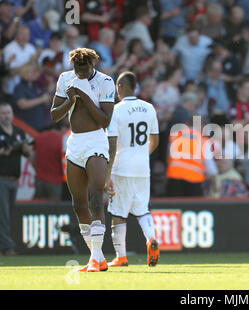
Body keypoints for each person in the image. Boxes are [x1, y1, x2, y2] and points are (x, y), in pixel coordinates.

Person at [50, 48, 115, 272]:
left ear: (92, 66)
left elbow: (105, 120)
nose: (80, 75)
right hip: (75, 142)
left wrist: (85, 97)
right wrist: (70, 100)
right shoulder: (65, 79)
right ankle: (96, 257)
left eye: (84, 71)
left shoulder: (106, 82)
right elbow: (55, 115)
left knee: (96, 196)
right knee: (78, 204)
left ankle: (97, 258)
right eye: (77, 70)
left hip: (96, 140)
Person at [105, 71, 160, 267]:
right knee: (142, 210)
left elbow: (112, 144)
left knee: (119, 213)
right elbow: (155, 140)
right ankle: (151, 239)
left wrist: (107, 174)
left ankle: (121, 256)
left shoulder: (116, 111)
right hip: (142, 167)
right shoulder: (149, 108)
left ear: (119, 88)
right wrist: (143, 155)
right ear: (135, 87)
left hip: (122, 167)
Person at [0, 101, 32, 256]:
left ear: (12, 115)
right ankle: (7, 248)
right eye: (3, 113)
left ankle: (5, 245)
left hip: (14, 179)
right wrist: (12, 149)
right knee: (3, 215)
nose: (6, 116)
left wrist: (24, 148)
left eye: (8, 113)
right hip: (1, 178)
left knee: (9, 214)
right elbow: (3, 152)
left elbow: (28, 153)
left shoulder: (18, 131)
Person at [31, 119, 69, 200]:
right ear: (63, 128)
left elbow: (32, 156)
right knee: (53, 210)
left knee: (38, 209)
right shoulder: (63, 141)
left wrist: (37, 168)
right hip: (55, 181)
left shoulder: (39, 137)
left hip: (39, 179)